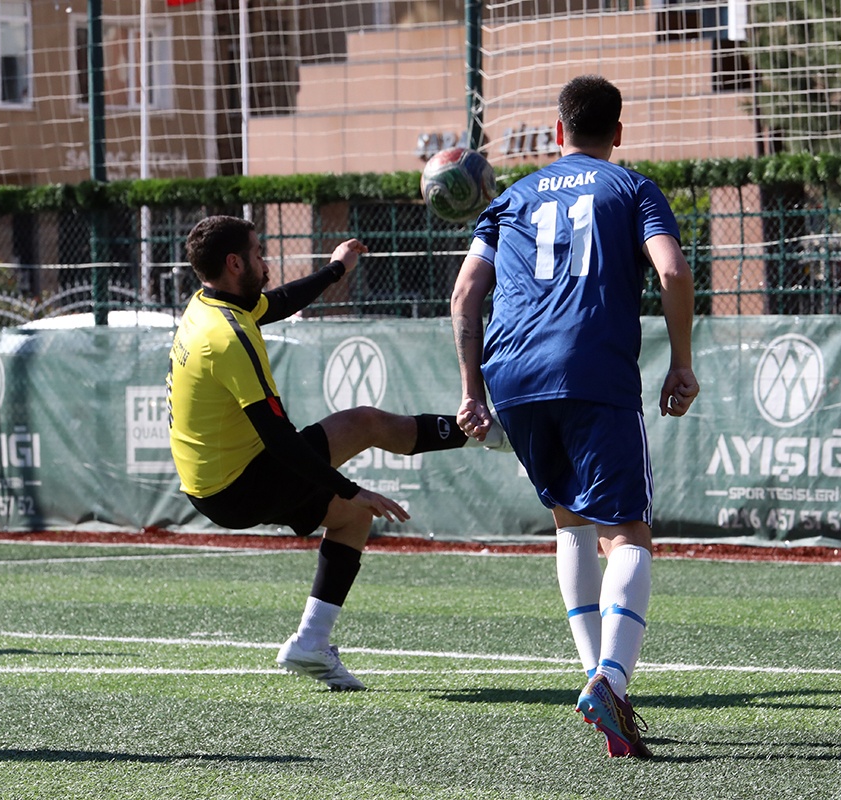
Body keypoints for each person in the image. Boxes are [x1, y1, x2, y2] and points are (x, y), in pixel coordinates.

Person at [450, 75, 699, 758]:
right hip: (589, 367)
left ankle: (599, 682)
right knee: (628, 533)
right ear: (617, 133)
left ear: (558, 132)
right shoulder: (633, 188)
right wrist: (681, 362)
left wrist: (472, 391)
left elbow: (466, 293)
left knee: (571, 522)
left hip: (512, 373)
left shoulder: (509, 198)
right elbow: (673, 273)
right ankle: (611, 681)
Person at [168, 215, 503, 691]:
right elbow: (280, 438)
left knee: (352, 518)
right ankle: (491, 432)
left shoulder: (209, 303)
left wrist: (335, 270)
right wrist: (350, 487)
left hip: (214, 485)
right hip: (241, 482)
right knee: (364, 424)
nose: (266, 263)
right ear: (234, 263)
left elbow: (279, 302)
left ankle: (311, 642)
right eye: (259, 254)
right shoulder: (227, 337)